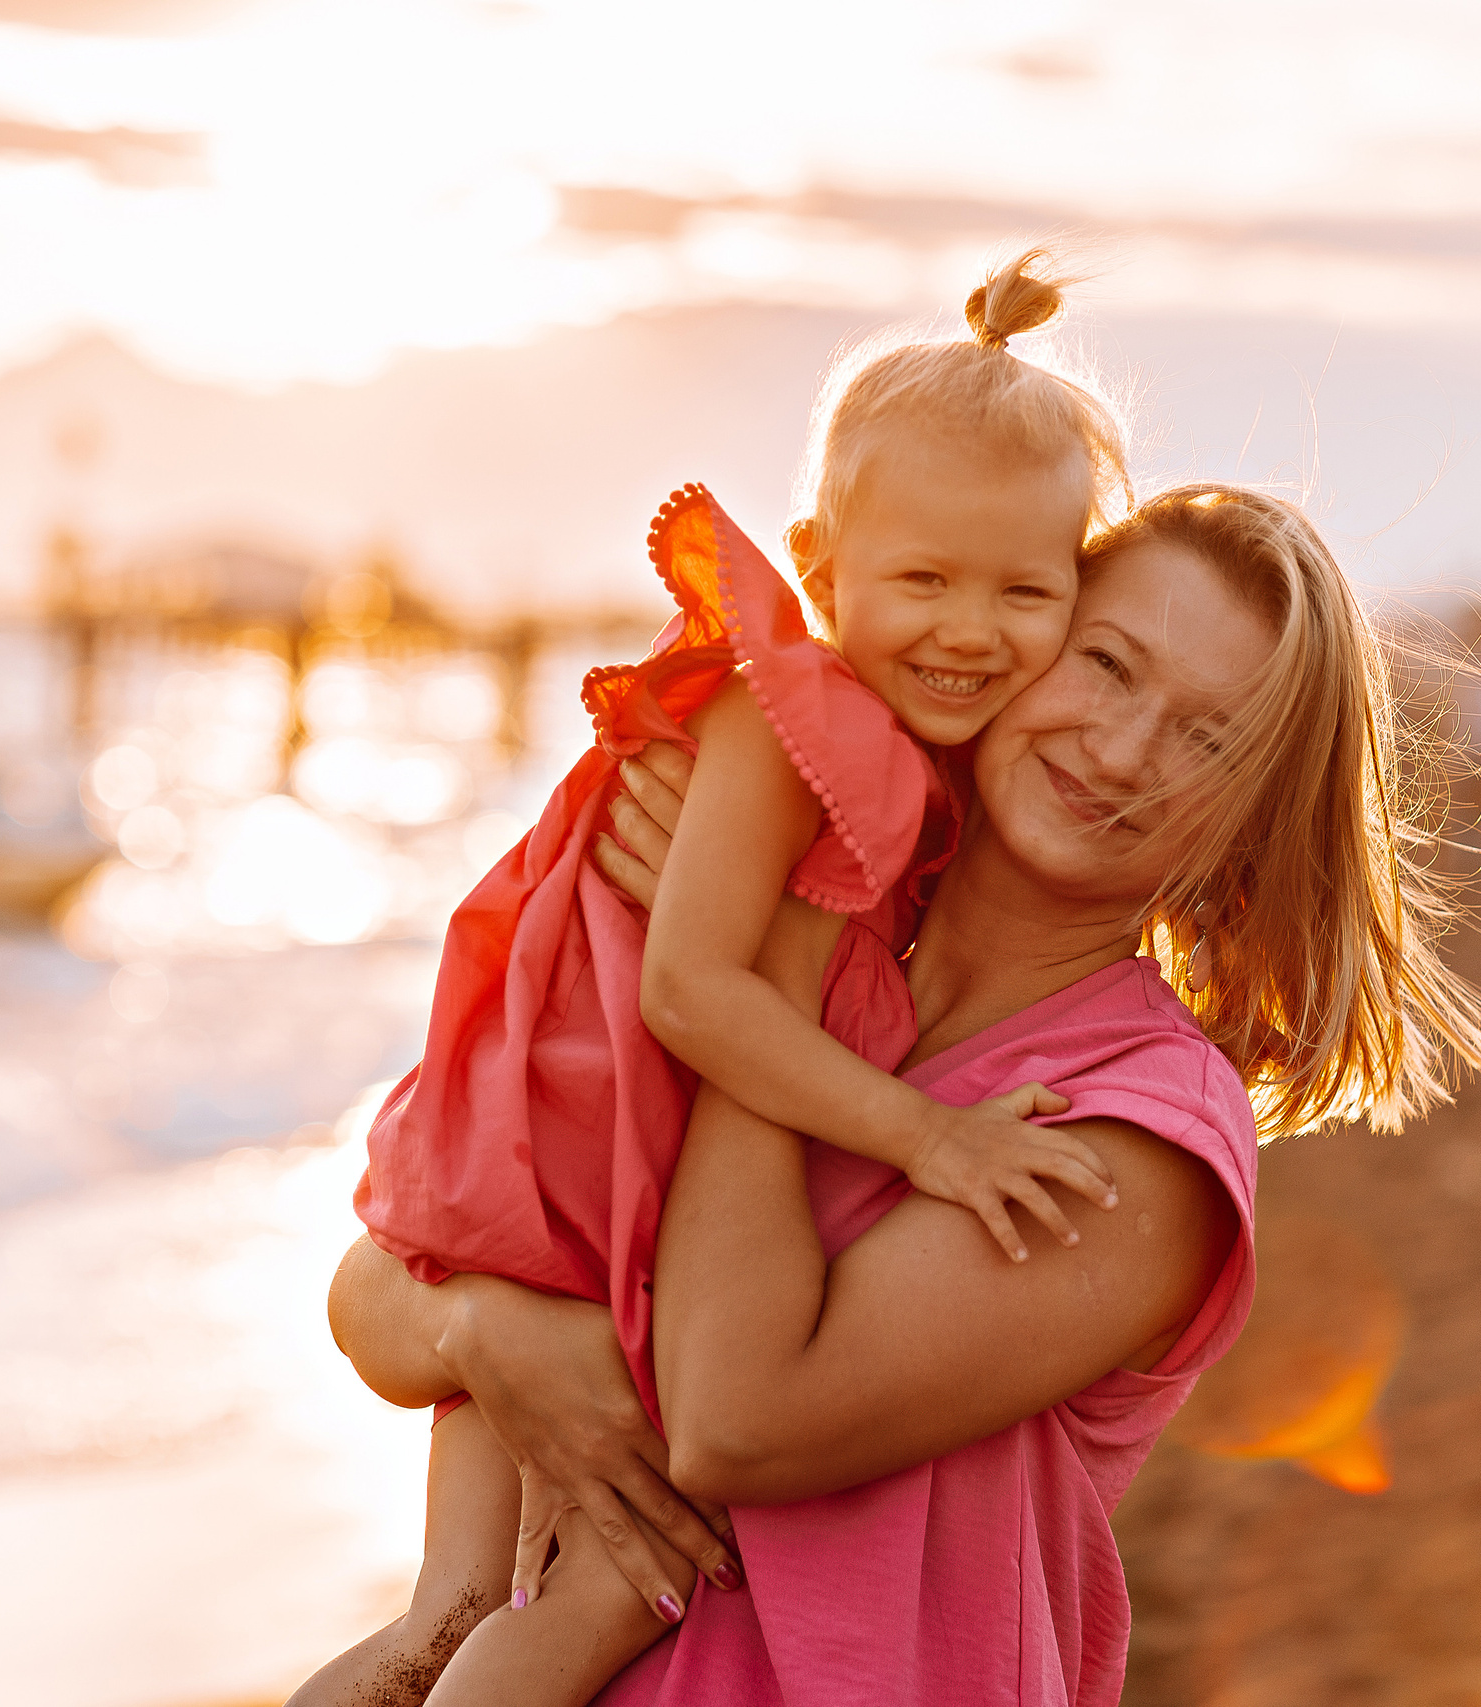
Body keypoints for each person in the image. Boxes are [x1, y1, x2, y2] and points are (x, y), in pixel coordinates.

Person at [327, 484, 1481, 1704]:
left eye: (1207, 740)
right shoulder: (804, 959)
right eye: (1106, 663)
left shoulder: (1143, 1133)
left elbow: (738, 1419)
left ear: (1250, 828)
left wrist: (760, 968)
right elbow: (391, 1262)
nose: (1121, 750)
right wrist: (485, 1332)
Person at [290, 252, 1137, 1707]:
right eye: (922, 577)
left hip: (567, 1144)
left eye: (1025, 588)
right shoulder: (805, 724)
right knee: (608, 1582)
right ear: (819, 569)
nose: (970, 628)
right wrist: (927, 1132)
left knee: (464, 1603)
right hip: (586, 1152)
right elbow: (690, 991)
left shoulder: (879, 750)